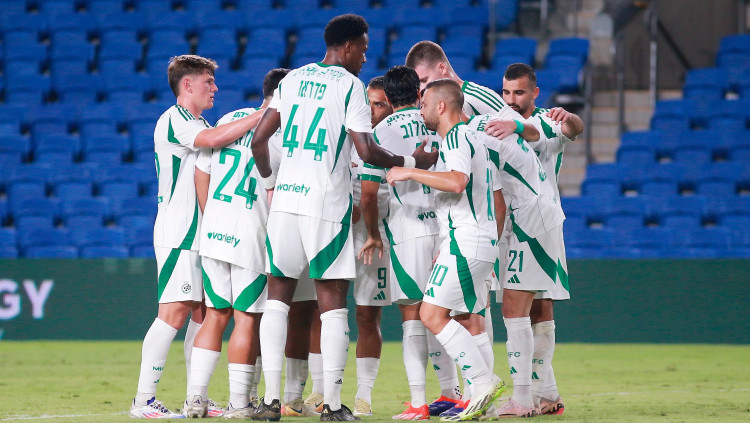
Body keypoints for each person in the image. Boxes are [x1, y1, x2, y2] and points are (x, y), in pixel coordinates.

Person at [249, 14, 438, 422]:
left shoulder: (291, 80)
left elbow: (258, 140)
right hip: (325, 203)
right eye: (364, 51)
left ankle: (270, 401)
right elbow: (367, 151)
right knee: (332, 304)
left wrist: (270, 182)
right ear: (348, 47)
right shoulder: (349, 86)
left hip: (285, 202)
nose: (365, 59)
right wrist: (413, 161)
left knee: (277, 299)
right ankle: (333, 406)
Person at [129, 54, 268, 419]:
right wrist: (263, 114)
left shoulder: (197, 121)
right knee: (172, 312)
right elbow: (212, 138)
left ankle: (198, 398)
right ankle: (143, 400)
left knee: (202, 314)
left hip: (203, 232)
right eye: (208, 81)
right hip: (181, 229)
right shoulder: (175, 119)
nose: (215, 88)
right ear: (187, 84)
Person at [386, 79, 505, 421]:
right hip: (473, 241)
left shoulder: (455, 138)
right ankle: (480, 401)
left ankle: (482, 382)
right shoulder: (472, 137)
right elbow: (490, 197)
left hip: (467, 241)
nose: (420, 110)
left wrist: (411, 171)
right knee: (467, 319)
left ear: (441, 106)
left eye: (424, 104)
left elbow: (456, 182)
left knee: (430, 315)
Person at [182, 68, 291, 419]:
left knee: (215, 314)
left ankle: (195, 398)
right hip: (252, 233)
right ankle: (240, 402)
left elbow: (201, 172)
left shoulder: (230, 119)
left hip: (214, 231)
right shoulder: (286, 131)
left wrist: (212, 214)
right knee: (245, 318)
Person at [359, 66, 445, 421]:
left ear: (389, 98)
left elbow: (368, 194)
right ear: (419, 93)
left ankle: (418, 402)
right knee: (444, 314)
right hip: (445, 229)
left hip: (408, 231)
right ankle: (455, 394)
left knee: (412, 317)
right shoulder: (437, 124)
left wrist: (373, 234)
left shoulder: (381, 131)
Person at [501, 63, 583, 416]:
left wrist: (570, 116)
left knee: (534, 307)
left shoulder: (546, 121)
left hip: (537, 224)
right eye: (506, 92)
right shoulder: (499, 122)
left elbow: (574, 129)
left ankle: (529, 395)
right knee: (533, 307)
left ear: (534, 93)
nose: (511, 99)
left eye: (519, 92)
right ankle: (547, 394)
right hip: (511, 225)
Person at [348, 75, 394, 417]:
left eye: (379, 104)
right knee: (323, 310)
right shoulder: (349, 137)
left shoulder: (394, 141)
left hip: (375, 234)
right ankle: (319, 390)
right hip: (341, 231)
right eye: (369, 103)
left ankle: (363, 395)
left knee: (367, 314)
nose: (372, 111)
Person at [404, 41, 539, 142]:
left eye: (424, 80)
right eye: (417, 84)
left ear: (442, 68)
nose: (421, 89)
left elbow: (534, 132)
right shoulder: (426, 107)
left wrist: (514, 125)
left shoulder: (476, 96)